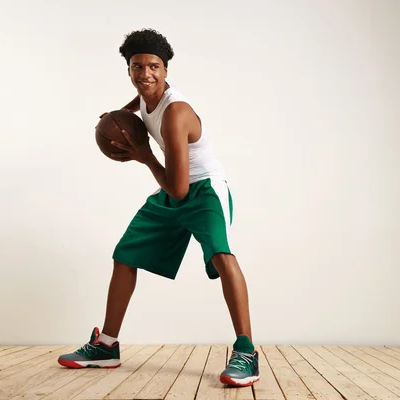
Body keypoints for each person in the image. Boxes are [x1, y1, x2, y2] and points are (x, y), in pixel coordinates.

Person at [57, 28, 259, 387]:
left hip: (202, 190)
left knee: (222, 256)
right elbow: (140, 105)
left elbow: (180, 189)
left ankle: (246, 352)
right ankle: (106, 345)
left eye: (154, 67)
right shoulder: (146, 97)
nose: (145, 74)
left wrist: (145, 156)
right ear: (129, 70)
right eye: (137, 67)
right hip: (173, 185)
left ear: (166, 71)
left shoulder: (176, 112)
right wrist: (118, 115)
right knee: (125, 255)